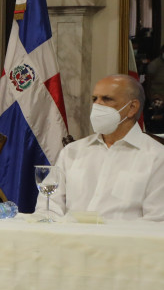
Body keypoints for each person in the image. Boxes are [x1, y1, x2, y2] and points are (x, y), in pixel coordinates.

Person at [49, 74, 164, 221]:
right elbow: (48, 205)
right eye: (94, 99)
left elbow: (156, 220)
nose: (97, 105)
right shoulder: (72, 151)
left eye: (106, 99)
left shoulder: (157, 157)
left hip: (123, 236)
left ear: (132, 108)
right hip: (68, 234)